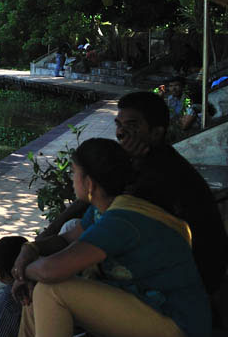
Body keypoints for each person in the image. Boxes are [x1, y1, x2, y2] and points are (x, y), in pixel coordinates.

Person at [0, 138, 210, 337]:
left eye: (74, 173)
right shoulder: (106, 209)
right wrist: (31, 249)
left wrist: (25, 269)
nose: (72, 179)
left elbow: (54, 269)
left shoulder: (122, 220)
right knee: (42, 282)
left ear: (88, 182)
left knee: (54, 288)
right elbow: (65, 240)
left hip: (178, 331)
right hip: (150, 311)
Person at [29, 91, 226, 296]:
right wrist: (42, 241)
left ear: (156, 133)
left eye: (132, 125)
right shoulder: (146, 162)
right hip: (170, 270)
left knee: (53, 287)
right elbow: (92, 200)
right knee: (71, 230)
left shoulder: (159, 174)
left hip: (189, 283)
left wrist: (36, 257)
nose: (121, 133)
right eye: (119, 125)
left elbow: (101, 200)